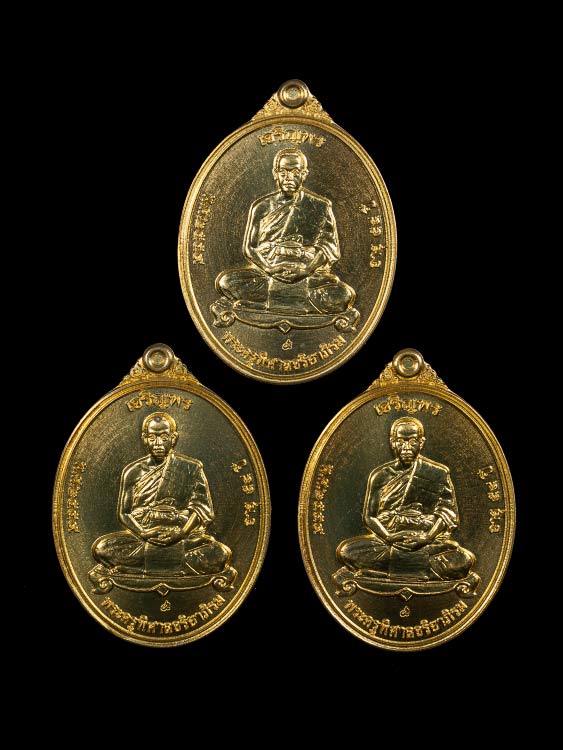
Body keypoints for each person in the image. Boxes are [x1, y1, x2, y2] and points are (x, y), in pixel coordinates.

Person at [215, 148, 356, 314]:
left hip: (307, 274)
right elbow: (250, 248)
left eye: (295, 172)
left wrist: (306, 270)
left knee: (343, 295)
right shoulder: (261, 207)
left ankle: (263, 303)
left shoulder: (321, 206)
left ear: (304, 174)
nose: (289, 178)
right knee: (226, 282)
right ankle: (299, 303)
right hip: (268, 273)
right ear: (275, 174)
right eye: (283, 172)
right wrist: (269, 268)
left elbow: (328, 247)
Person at [92, 412, 232, 576]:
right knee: (102, 549)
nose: (158, 443)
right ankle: (176, 566)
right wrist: (143, 533)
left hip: (182, 537)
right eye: (152, 438)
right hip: (143, 538)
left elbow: (201, 508)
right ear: (144, 439)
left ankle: (136, 569)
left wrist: (181, 533)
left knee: (220, 554)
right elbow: (124, 513)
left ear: (174, 438)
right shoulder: (133, 471)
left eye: (164, 437)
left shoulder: (191, 468)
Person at [336, 417, 475, 580]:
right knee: (347, 551)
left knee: (463, 560)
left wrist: (427, 538)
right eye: (401, 441)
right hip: (388, 541)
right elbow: (370, 517)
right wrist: (388, 537)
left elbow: (447, 513)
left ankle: (381, 573)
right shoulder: (380, 476)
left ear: (421, 443)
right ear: (392, 443)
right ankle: (424, 572)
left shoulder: (438, 473)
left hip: (426, 541)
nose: (406, 448)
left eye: (413, 442)